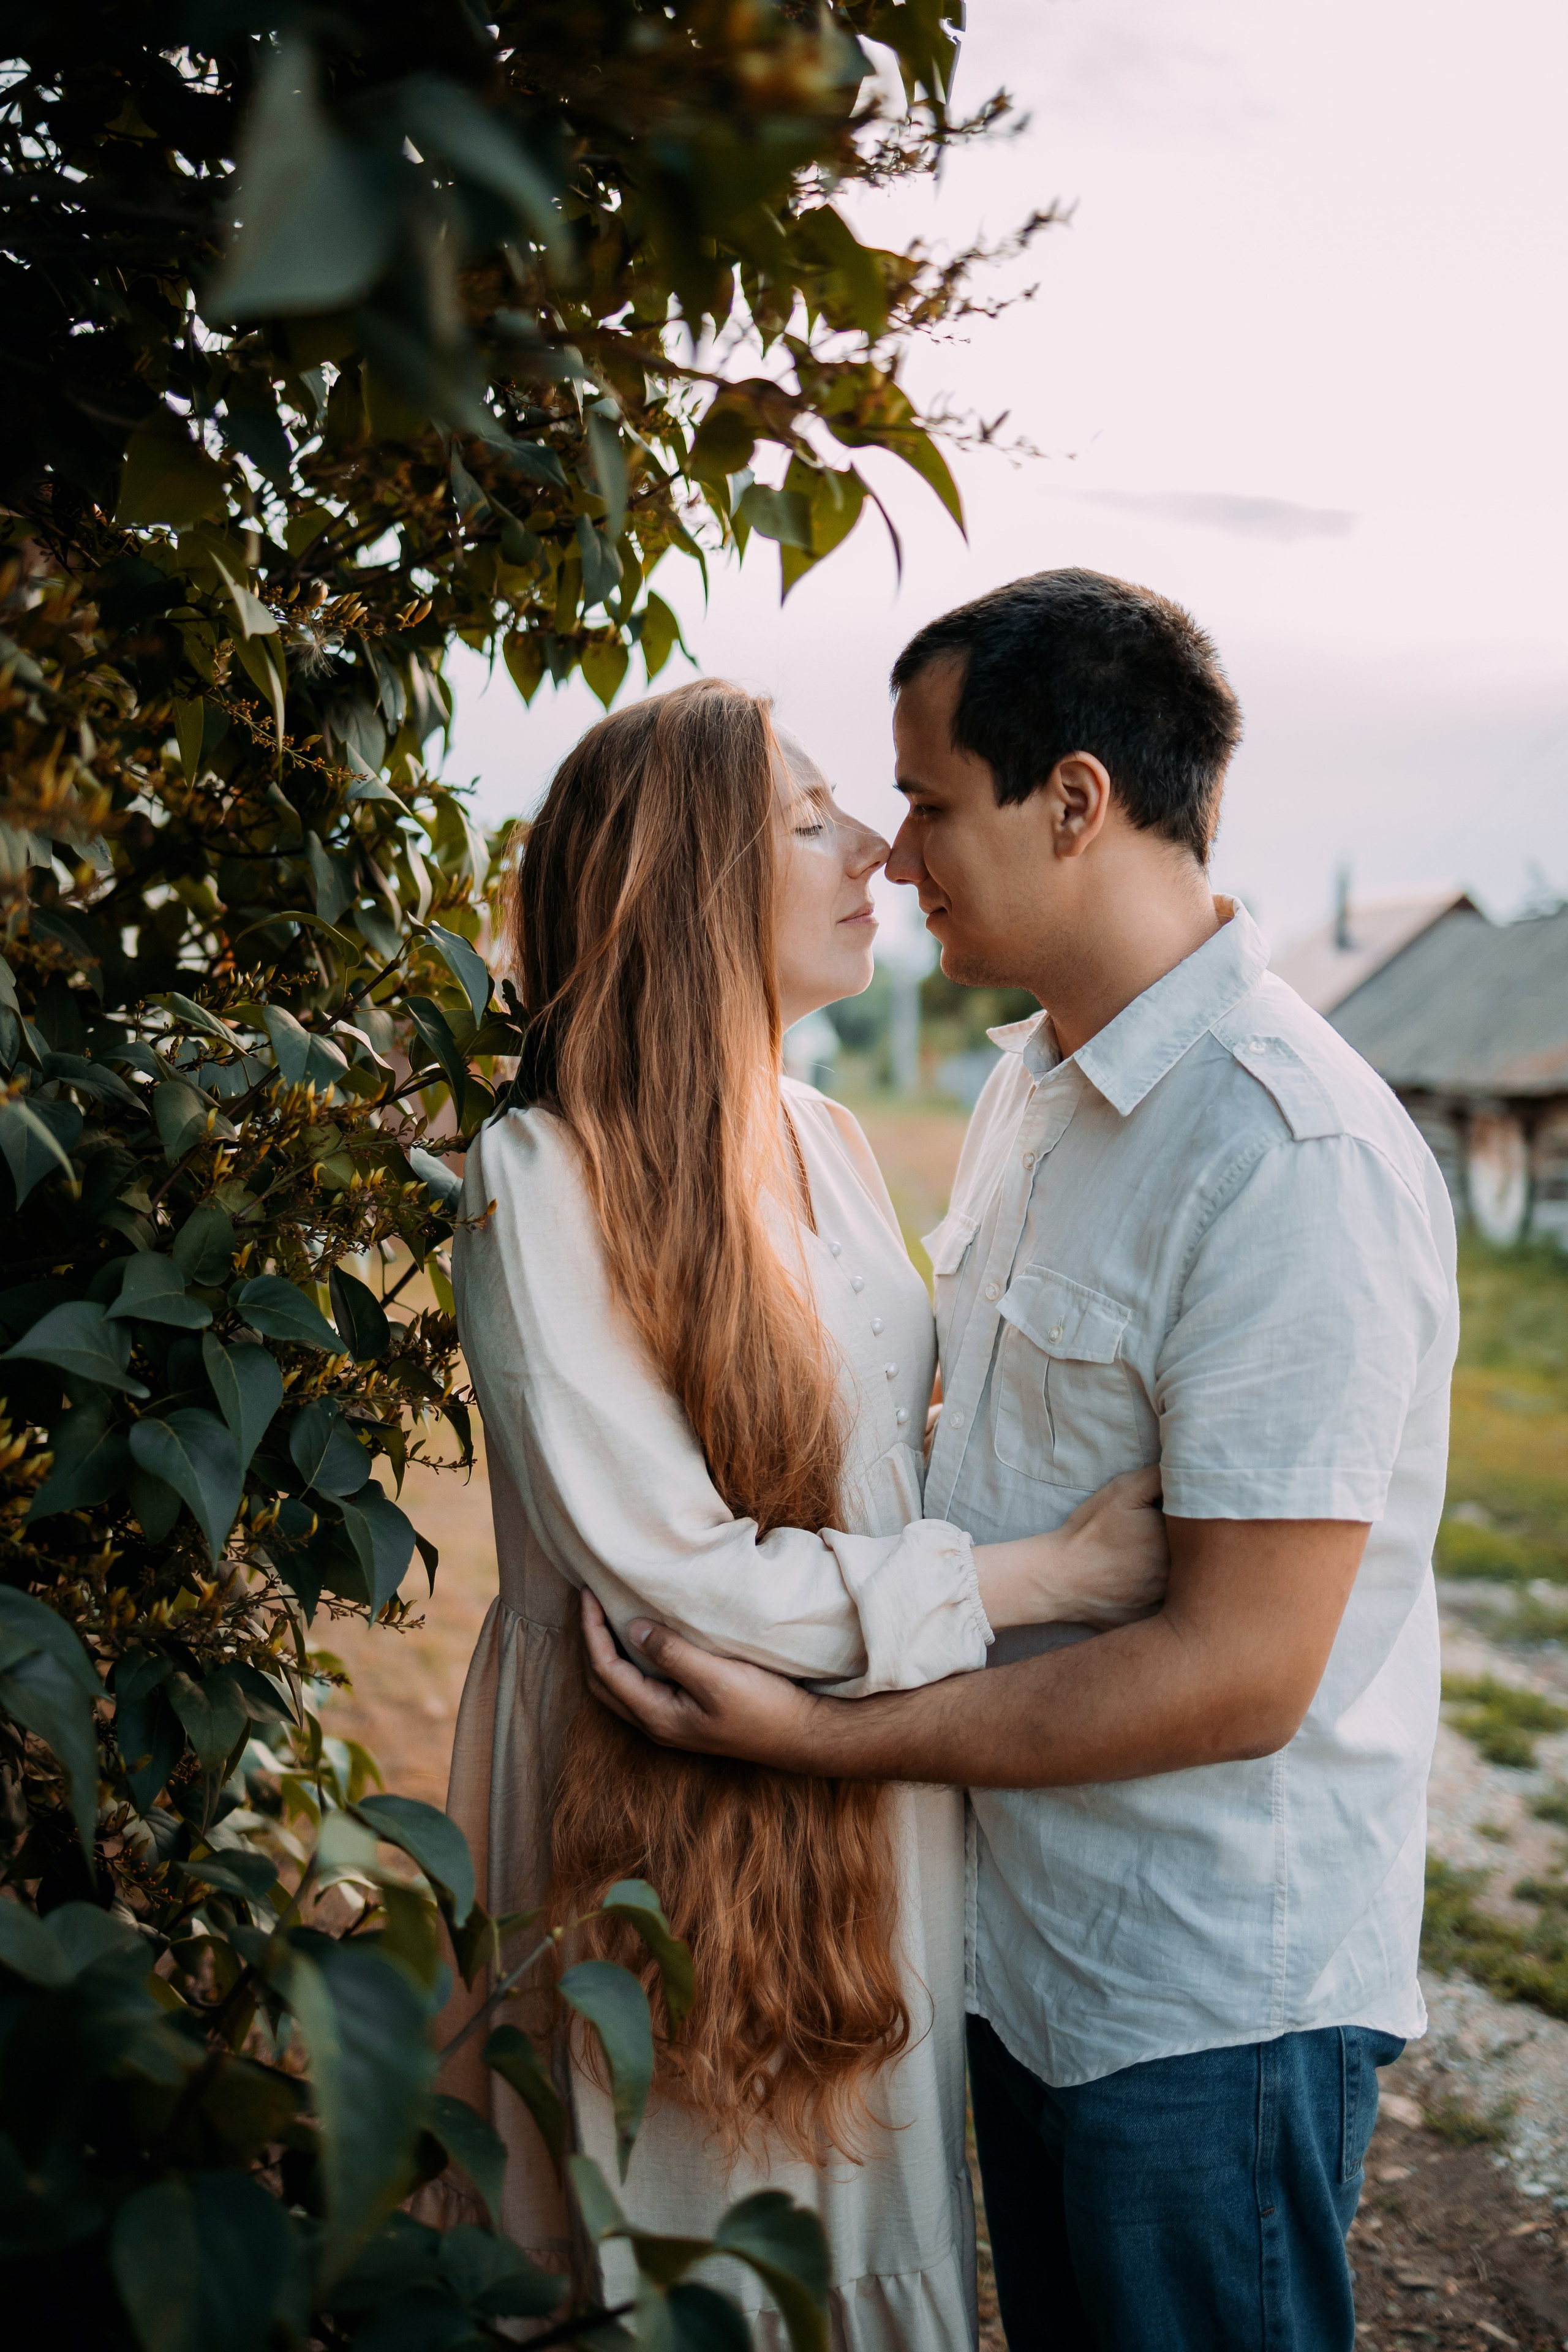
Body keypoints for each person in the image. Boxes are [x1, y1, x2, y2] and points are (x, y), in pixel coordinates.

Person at [582, 571, 1462, 2352]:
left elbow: (1235, 1676)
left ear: (1074, 800)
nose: (894, 857)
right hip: (1022, 1956)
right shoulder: (1033, 1095)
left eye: (925, 801)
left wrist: (822, 1743)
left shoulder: (1287, 1156)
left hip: (1204, 2006)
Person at [431, 676, 1166, 2352]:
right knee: (695, 2248)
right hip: (656, 1793)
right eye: (815, 817)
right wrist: (1044, 1572)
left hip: (860, 1779)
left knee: (864, 2226)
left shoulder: (829, 1140)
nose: (882, 854)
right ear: (689, 880)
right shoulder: (540, 1175)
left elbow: (863, 1455)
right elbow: (671, 1575)